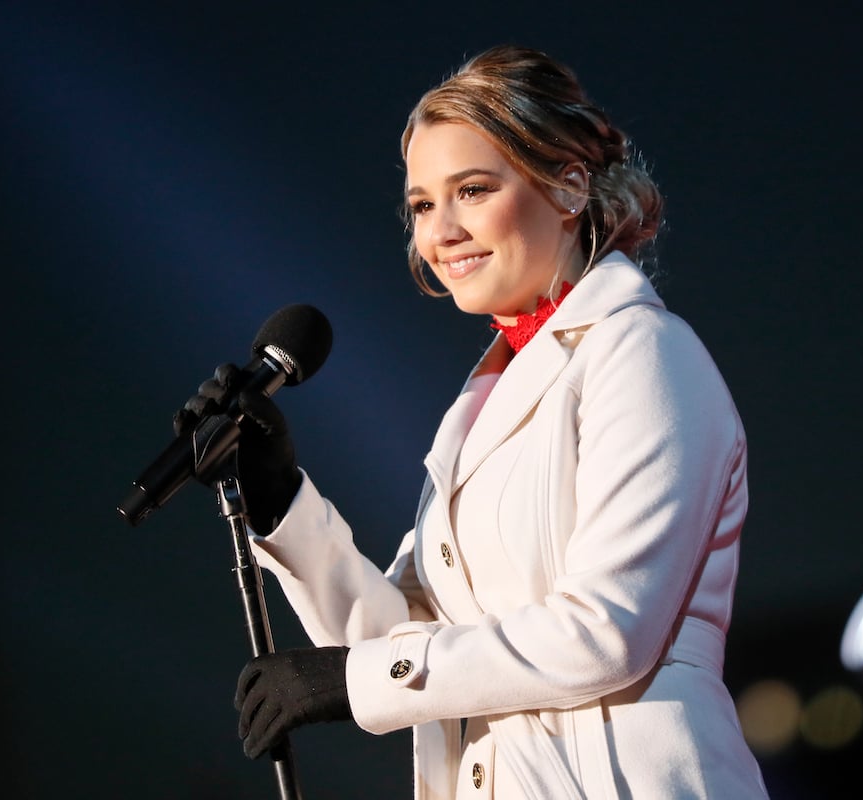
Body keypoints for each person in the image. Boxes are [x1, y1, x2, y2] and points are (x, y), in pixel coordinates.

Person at [175, 44, 770, 799]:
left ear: (569, 187)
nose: (441, 230)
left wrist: (358, 679)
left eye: (473, 190)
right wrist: (280, 501)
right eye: (423, 204)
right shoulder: (488, 397)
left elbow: (607, 630)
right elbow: (402, 644)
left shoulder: (643, 353)